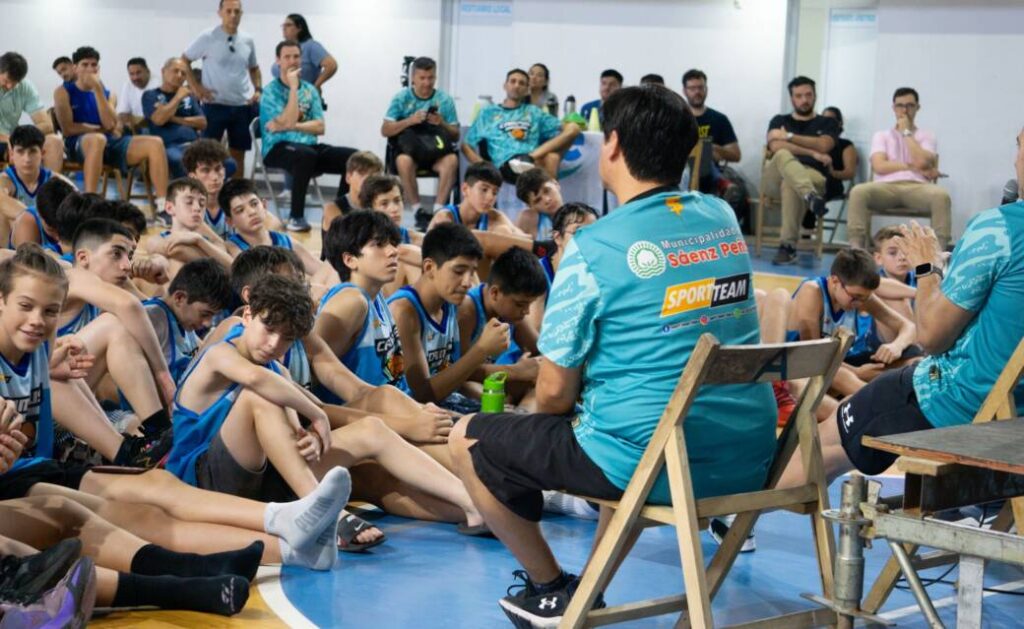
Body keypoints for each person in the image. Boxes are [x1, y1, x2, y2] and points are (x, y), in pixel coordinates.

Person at [448, 85, 776, 626]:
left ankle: (550, 588)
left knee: (468, 438)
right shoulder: (721, 217)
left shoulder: (593, 246)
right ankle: (590, 587)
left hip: (656, 462)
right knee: (618, 417)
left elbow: (554, 394)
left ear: (614, 145)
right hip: (747, 456)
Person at [780, 210, 1024, 491]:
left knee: (825, 444)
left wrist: (927, 268)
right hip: (1014, 408)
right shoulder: (815, 291)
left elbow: (928, 338)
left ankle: (747, 507)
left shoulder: (1001, 228)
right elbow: (813, 356)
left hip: (957, 401)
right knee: (846, 386)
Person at [389, 223, 510, 411]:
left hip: (445, 404)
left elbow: (456, 378)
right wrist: (481, 350)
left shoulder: (451, 304)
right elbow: (422, 394)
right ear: (429, 267)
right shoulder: (404, 311)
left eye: (472, 272)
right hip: (410, 412)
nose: (467, 282)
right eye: (459, 271)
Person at [786, 248, 917, 390]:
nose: (860, 304)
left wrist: (896, 346)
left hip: (842, 361)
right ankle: (878, 399)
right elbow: (812, 354)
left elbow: (908, 326)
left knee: (914, 361)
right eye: (855, 297)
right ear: (835, 281)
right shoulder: (812, 291)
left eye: (865, 298)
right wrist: (857, 372)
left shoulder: (858, 294)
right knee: (843, 376)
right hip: (806, 364)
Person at [53, 47, 169, 207]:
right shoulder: (63, 92)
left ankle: (163, 205)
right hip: (80, 145)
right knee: (97, 139)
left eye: (93, 65)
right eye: (85, 64)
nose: (90, 69)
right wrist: (100, 130)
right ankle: (89, 202)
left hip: (109, 144)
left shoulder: (108, 94)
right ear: (75, 68)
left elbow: (109, 124)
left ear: (98, 68)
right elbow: (68, 129)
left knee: (155, 143)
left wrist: (97, 90)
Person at [260, 40, 356, 233]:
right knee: (305, 155)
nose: (292, 61)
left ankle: (341, 215)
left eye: (296, 56)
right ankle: (296, 217)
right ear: (278, 61)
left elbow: (319, 127)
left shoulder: (310, 90)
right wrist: (293, 88)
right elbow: (288, 119)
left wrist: (291, 125)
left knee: (353, 158)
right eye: (287, 57)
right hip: (277, 148)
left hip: (309, 148)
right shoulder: (270, 92)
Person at [846, 88, 951, 250]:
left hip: (917, 187)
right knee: (858, 191)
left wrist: (906, 133)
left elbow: (922, 162)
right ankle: (856, 249)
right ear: (893, 108)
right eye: (900, 106)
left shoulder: (927, 136)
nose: (904, 110)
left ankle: (939, 252)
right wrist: (912, 166)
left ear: (917, 108)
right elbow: (879, 166)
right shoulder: (881, 135)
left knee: (941, 196)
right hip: (885, 187)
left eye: (910, 105)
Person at [182, 0, 262, 179]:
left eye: (237, 11)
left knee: (238, 154)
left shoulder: (247, 40)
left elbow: (254, 68)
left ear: (241, 14)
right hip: (214, 105)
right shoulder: (207, 37)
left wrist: (258, 89)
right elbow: (184, 60)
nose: (233, 15)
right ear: (220, 13)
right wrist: (196, 88)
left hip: (241, 105)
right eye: (229, 11)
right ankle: (203, 190)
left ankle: (236, 192)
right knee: (206, 155)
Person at [762, 76, 838, 265]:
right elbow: (776, 146)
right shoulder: (779, 120)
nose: (804, 100)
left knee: (791, 184)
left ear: (815, 96)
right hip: (777, 175)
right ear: (792, 98)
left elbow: (825, 145)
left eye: (808, 95)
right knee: (782, 154)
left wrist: (788, 136)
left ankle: (787, 247)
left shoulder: (827, 123)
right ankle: (809, 196)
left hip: (812, 175)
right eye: (799, 96)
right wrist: (812, 152)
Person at [380, 56, 459, 229]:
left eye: (431, 78)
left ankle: (438, 210)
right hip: (411, 152)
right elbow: (385, 130)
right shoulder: (401, 98)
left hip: (437, 153)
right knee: (403, 160)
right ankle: (418, 211)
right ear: (413, 78)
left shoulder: (445, 100)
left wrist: (441, 123)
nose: (427, 83)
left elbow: (456, 135)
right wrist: (409, 121)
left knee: (452, 160)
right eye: (422, 78)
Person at [462, 68, 580, 182]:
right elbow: (466, 145)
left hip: (531, 158)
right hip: (505, 163)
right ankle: (548, 191)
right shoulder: (489, 112)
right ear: (505, 86)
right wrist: (484, 167)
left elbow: (569, 128)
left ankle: (531, 159)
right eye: (513, 81)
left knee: (554, 155)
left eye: (521, 83)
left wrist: (571, 126)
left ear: (527, 90)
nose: (516, 85)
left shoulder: (533, 112)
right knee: (547, 162)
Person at [221, 178, 323, 276]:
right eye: (240, 210)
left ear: (264, 205)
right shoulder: (231, 248)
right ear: (230, 221)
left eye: (254, 204)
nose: (252, 212)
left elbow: (322, 271)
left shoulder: (286, 242)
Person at [143, 58, 208, 179]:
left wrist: (172, 118)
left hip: (194, 144)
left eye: (183, 73)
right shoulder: (150, 95)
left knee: (228, 163)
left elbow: (202, 122)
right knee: (180, 161)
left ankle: (203, 188)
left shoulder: (189, 97)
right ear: (163, 71)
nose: (179, 76)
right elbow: (159, 120)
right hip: (168, 146)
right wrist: (178, 97)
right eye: (176, 71)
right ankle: (191, 188)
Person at [0, 52, 63, 173]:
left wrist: (20, 136)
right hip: (4, 140)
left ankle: (49, 185)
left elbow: (47, 125)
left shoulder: (25, 86)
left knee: (54, 141)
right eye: (6, 81)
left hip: (13, 139)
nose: (10, 86)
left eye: (15, 82)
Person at [682, 69, 741, 195]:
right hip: (681, 168)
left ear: (706, 89)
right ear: (684, 91)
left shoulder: (719, 119)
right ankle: (721, 182)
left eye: (700, 88)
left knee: (704, 148)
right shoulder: (677, 118)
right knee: (701, 149)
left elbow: (736, 155)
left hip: (707, 174)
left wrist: (715, 148)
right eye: (692, 88)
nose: (697, 92)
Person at [0, 126, 59, 249]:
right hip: (13, 246)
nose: (27, 159)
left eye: (32, 151)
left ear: (42, 153)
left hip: (48, 245)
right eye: (20, 152)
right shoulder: (6, 180)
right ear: (12, 154)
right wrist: (36, 219)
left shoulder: (55, 180)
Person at [427, 162, 520, 234]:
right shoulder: (445, 217)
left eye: (495, 193)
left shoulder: (495, 217)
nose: (490, 197)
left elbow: (522, 239)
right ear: (465, 189)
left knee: (504, 230)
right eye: (484, 190)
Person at [320, 151, 384, 253]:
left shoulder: (378, 206)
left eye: (372, 176)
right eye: (362, 174)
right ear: (348, 177)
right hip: (339, 261)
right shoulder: (332, 208)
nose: (367, 179)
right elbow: (348, 244)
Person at [274, 14, 337, 101]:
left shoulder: (310, 46)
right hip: (282, 98)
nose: (284, 28)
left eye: (288, 25)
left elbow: (331, 65)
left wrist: (315, 86)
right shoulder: (285, 48)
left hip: (304, 100)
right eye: (283, 25)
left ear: (299, 28)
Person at [9, 177, 73, 256]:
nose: (58, 237)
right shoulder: (27, 223)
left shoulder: (75, 213)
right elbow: (27, 262)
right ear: (38, 214)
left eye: (62, 229)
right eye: (51, 230)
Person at [821, 106, 858, 202]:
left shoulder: (845, 145)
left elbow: (850, 173)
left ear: (839, 123)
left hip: (830, 184)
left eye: (831, 120)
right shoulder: (815, 142)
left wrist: (832, 172)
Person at [514, 167, 562, 239]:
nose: (547, 200)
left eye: (547, 191)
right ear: (530, 206)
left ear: (556, 184)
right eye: (538, 200)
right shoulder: (528, 219)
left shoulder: (577, 215)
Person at [117, 57, 152, 133]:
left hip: (153, 126)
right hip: (136, 127)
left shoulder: (159, 84)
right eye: (132, 74)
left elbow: (156, 117)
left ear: (148, 71)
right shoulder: (127, 85)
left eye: (138, 73)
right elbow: (122, 113)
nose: (135, 77)